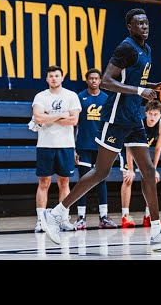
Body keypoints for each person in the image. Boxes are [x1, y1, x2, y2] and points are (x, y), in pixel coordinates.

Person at [43, 8, 161, 251]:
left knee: (149, 172)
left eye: (146, 22)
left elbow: (136, 82)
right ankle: (56, 213)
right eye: (138, 23)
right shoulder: (126, 47)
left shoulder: (147, 50)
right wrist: (141, 91)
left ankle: (156, 231)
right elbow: (108, 81)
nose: (144, 26)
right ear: (130, 27)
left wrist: (155, 86)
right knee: (101, 171)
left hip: (133, 118)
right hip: (116, 117)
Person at [31, 65, 81, 233]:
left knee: (64, 182)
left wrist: (48, 117)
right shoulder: (40, 96)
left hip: (66, 145)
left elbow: (74, 120)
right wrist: (62, 115)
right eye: (50, 76)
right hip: (45, 145)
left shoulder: (71, 96)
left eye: (56, 75)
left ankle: (62, 219)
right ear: (47, 79)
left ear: (62, 78)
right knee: (44, 182)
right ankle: (40, 221)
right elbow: (38, 117)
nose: (53, 78)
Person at [73, 68, 117, 230]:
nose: (93, 81)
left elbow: (110, 124)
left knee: (101, 180)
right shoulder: (79, 97)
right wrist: (74, 148)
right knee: (83, 181)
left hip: (101, 146)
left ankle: (103, 217)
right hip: (83, 145)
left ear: (100, 81)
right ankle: (81, 217)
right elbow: (74, 125)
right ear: (87, 80)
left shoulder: (106, 99)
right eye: (91, 78)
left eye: (96, 78)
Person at [119, 99, 161, 227]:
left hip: (142, 151)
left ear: (160, 115)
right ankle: (125, 216)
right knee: (128, 179)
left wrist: (154, 169)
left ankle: (148, 216)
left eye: (155, 114)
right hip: (127, 149)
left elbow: (158, 149)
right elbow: (129, 147)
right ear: (146, 113)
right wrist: (130, 169)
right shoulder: (138, 123)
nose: (152, 117)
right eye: (150, 114)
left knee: (151, 179)